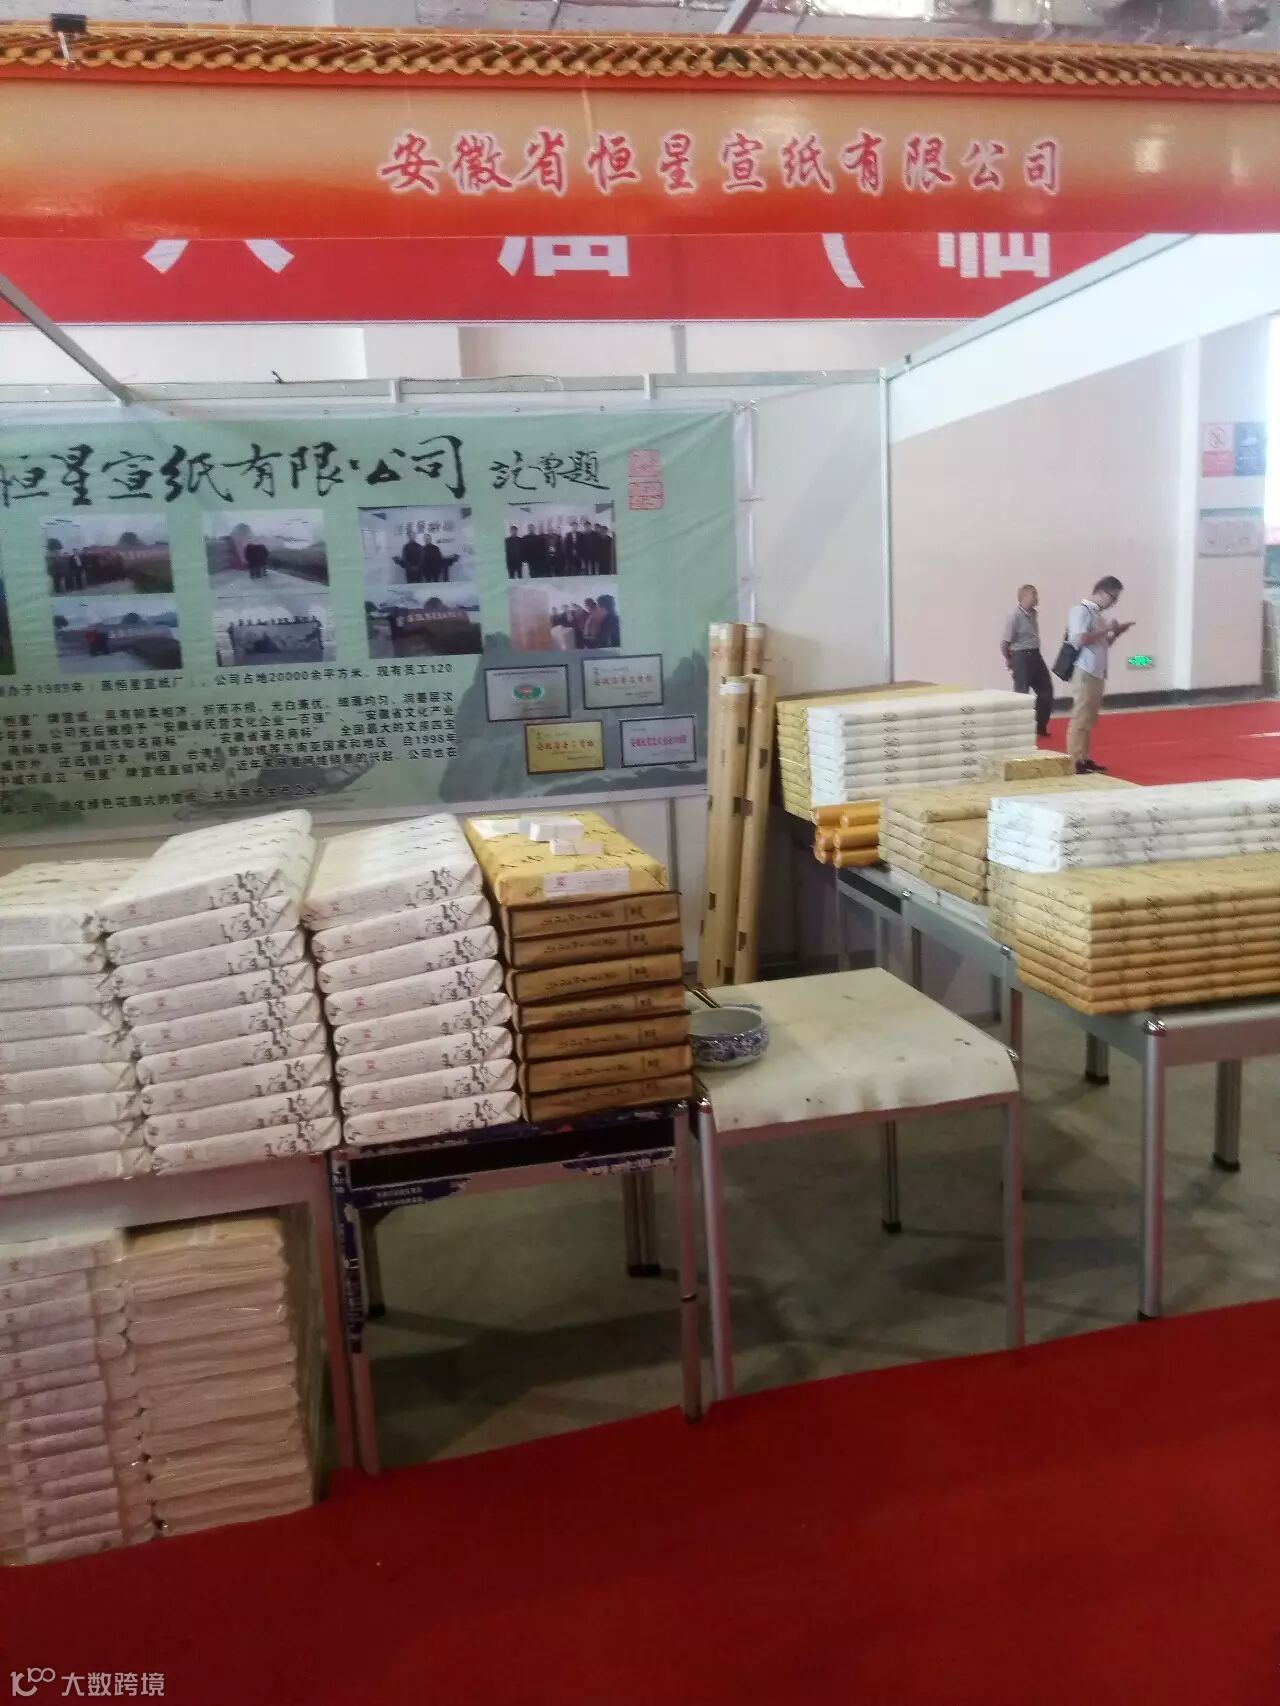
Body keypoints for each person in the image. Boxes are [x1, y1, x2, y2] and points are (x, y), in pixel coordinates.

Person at [1065, 575, 1132, 774]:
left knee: (1088, 718)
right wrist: (1106, 630)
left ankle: (1083, 757)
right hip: (1084, 670)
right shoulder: (1080, 611)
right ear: (1101, 592)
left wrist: (1115, 634)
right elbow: (1080, 639)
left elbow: (1102, 645)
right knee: (1080, 716)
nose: (1113, 602)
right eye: (1112, 597)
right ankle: (1074, 760)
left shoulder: (1097, 616)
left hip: (1097, 671)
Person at [1001, 583, 1053, 740]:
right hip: (1021, 656)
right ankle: (1020, 729)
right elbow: (1005, 643)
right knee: (1022, 694)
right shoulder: (1014, 616)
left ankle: (1040, 725)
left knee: (1046, 690)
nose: (1037, 598)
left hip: (1035, 655)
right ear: (1023, 597)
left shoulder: (1034, 614)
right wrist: (1009, 659)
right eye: (1033, 594)